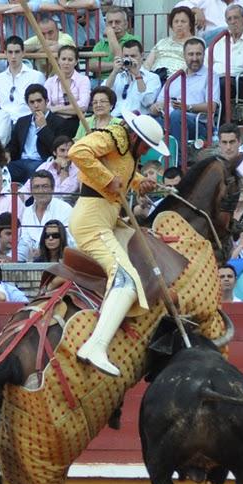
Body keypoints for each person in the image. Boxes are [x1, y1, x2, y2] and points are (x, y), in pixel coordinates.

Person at [68, 110, 169, 376]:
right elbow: (78, 151)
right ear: (135, 137)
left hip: (108, 218)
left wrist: (138, 183)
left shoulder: (126, 149)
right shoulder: (111, 137)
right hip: (93, 219)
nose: (147, 152)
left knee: (143, 247)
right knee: (125, 277)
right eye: (146, 145)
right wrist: (108, 180)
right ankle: (96, 345)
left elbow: (120, 174)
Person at [150, 37, 220, 161]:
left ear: (204, 55)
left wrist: (187, 107)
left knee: (178, 115)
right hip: (169, 120)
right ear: (184, 55)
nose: (194, 58)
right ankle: (153, 163)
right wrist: (156, 108)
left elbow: (212, 106)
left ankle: (178, 160)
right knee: (147, 121)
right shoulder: (175, 76)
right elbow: (157, 104)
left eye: (198, 54)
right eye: (190, 54)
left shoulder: (210, 75)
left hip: (197, 124)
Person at [7, 83, 66, 184]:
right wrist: (6, 153)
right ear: (28, 104)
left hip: (43, 162)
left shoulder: (59, 122)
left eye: (39, 101)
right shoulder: (22, 121)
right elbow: (13, 145)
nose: (36, 105)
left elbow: (56, 149)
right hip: (21, 161)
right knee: (0, 170)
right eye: (32, 102)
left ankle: (29, 199)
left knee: (32, 170)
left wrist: (43, 127)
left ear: (46, 101)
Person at [0, 35, 45, 124]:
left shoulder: (36, 76)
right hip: (3, 122)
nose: (13, 56)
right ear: (5, 53)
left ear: (23, 53)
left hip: (28, 121)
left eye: (17, 52)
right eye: (10, 52)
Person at [104, 39, 161, 117]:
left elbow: (147, 101)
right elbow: (103, 93)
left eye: (133, 56)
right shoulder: (118, 76)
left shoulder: (152, 77)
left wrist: (137, 75)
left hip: (137, 119)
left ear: (142, 56)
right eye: (126, 56)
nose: (129, 59)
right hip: (115, 117)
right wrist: (114, 72)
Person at [44, 44, 91, 139]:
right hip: (54, 120)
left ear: (76, 62)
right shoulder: (50, 81)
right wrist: (72, 110)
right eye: (63, 59)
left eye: (70, 60)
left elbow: (83, 106)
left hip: (75, 120)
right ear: (58, 60)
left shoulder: (83, 80)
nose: (66, 62)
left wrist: (56, 109)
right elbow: (46, 106)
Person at [21, 170, 73, 253]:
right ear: (31, 191)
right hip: (32, 259)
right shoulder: (27, 212)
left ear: (52, 189)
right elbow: (25, 240)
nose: (41, 191)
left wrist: (42, 250)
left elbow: (68, 240)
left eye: (45, 186)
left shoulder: (64, 208)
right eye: (36, 187)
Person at [20, 135, 79, 202]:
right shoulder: (45, 166)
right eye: (62, 150)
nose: (66, 154)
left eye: (69, 150)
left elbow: (65, 194)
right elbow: (28, 188)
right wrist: (17, 198)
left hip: (64, 208)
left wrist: (64, 170)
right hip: (40, 205)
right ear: (54, 152)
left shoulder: (77, 169)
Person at [144, 6, 195, 80]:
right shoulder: (162, 42)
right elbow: (147, 64)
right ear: (172, 25)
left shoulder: (196, 43)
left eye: (183, 21)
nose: (179, 24)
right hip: (154, 78)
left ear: (190, 24)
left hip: (177, 80)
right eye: (176, 21)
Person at [89, 6, 139, 81]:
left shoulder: (133, 40)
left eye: (117, 22)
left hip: (124, 80)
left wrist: (111, 35)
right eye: (110, 22)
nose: (113, 25)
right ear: (106, 25)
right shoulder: (100, 44)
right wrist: (114, 65)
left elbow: (122, 60)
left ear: (126, 24)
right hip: (100, 81)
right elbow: (92, 66)